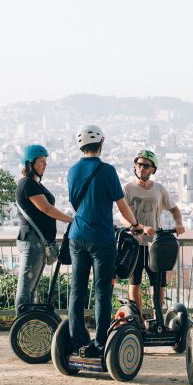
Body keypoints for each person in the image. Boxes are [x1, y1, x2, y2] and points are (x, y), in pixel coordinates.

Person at [66, 125, 152, 357]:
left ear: (81, 146)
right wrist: (135, 225)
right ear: (101, 144)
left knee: (77, 289)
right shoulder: (107, 171)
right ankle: (100, 343)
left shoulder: (72, 171)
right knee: (102, 291)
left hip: (77, 236)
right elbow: (121, 205)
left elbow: (75, 203)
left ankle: (77, 339)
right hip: (102, 238)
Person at [124, 149, 186, 321]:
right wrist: (141, 227)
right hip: (135, 244)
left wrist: (179, 223)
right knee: (134, 283)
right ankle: (138, 320)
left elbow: (174, 209)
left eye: (146, 165)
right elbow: (123, 215)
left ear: (153, 169)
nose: (141, 168)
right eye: (138, 164)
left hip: (155, 244)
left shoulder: (159, 189)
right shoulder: (127, 189)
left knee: (158, 285)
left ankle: (157, 318)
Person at [14, 144, 73, 315]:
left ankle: (28, 325)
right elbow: (46, 209)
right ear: (29, 164)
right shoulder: (27, 184)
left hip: (37, 242)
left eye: (45, 161)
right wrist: (72, 220)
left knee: (31, 289)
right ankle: (20, 325)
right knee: (26, 288)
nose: (45, 165)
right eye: (41, 161)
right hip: (32, 241)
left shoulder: (33, 183)